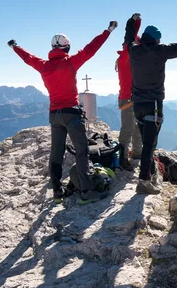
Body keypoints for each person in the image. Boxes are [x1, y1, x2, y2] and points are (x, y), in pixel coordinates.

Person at [8, 20, 117, 205]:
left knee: (56, 154)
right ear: (67, 48)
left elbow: (28, 58)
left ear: (52, 48)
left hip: (54, 115)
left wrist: (15, 47)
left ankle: (57, 193)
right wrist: (108, 31)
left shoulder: (44, 66)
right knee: (82, 152)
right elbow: (91, 48)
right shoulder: (71, 62)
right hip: (71, 114)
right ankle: (86, 192)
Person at [129, 20, 177, 194]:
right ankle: (144, 181)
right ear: (156, 40)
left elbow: (128, 37)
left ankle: (150, 175)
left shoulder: (134, 50)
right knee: (149, 146)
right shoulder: (160, 51)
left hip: (137, 106)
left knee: (147, 143)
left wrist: (132, 23)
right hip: (153, 105)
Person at [115, 13, 143, 171]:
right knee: (128, 129)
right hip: (127, 99)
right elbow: (130, 37)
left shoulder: (130, 56)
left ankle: (137, 154)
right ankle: (123, 158)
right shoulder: (127, 54)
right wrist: (134, 22)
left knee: (137, 128)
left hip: (133, 98)